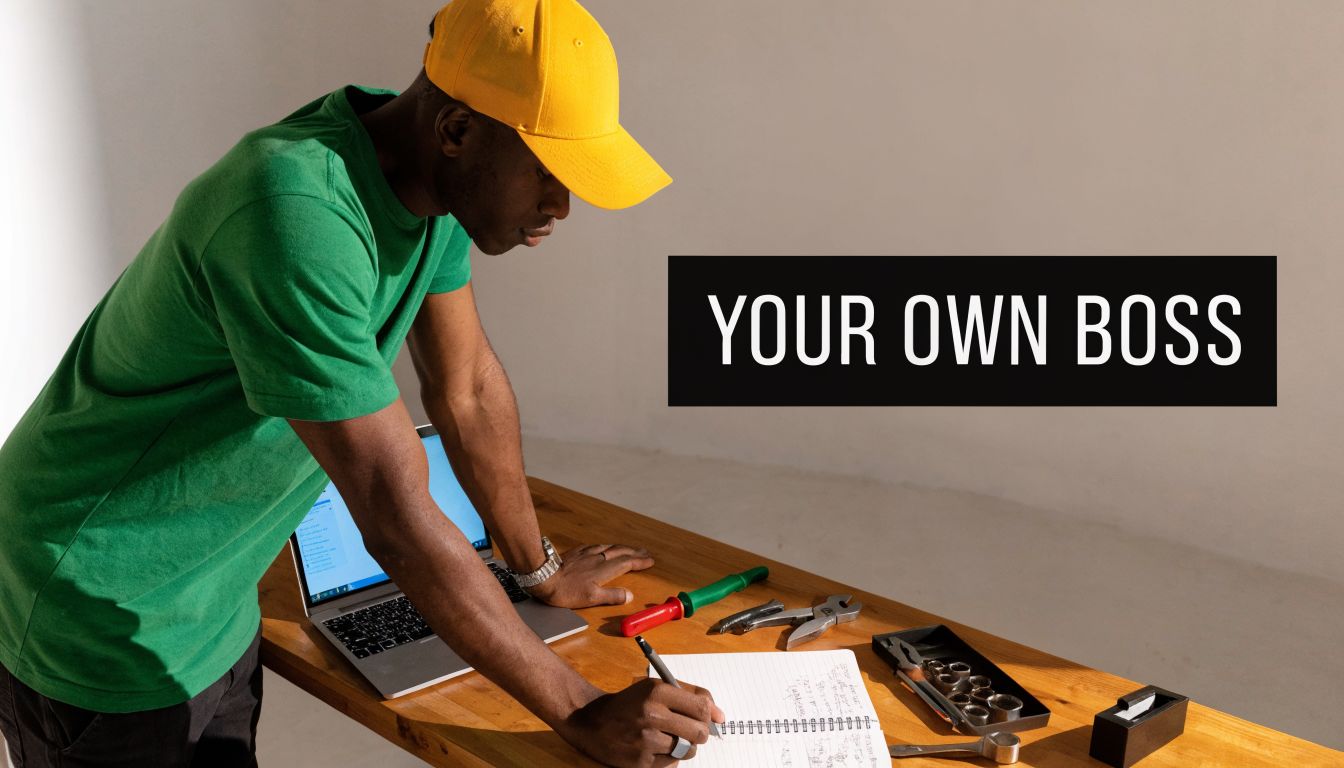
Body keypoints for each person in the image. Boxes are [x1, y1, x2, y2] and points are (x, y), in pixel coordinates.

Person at [0, 0, 722, 765]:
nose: (561, 205)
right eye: (545, 172)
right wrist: (580, 708)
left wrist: (536, 570)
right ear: (457, 130)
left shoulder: (430, 183)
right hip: (99, 602)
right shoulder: (294, 213)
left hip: (213, 594)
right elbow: (394, 515)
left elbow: (468, 390)